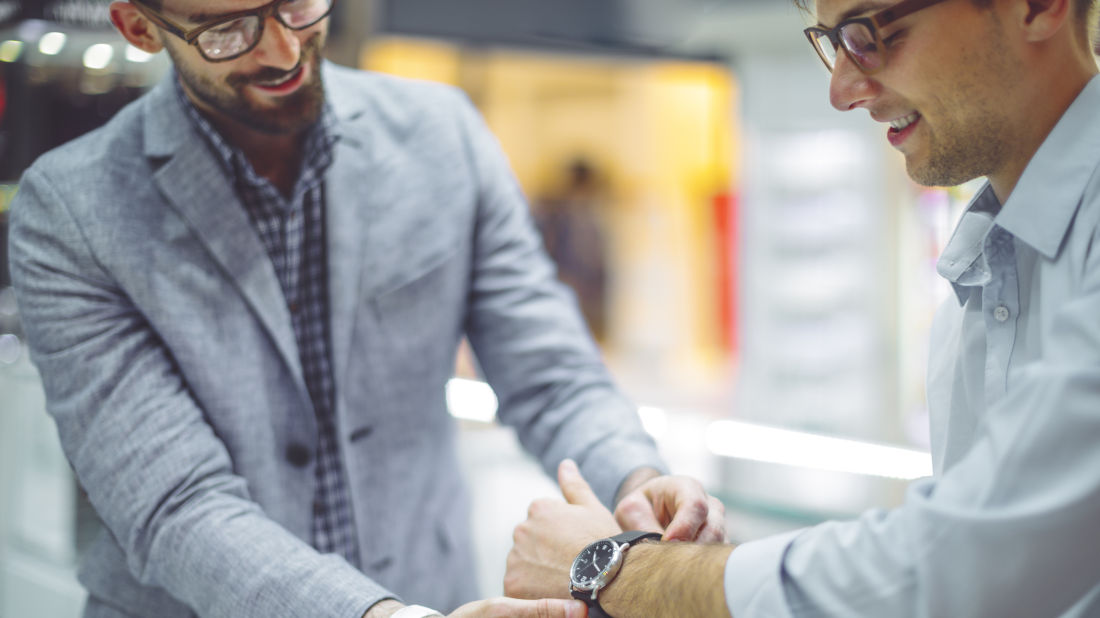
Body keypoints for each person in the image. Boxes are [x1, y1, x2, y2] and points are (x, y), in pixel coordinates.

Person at [6, 0, 727, 616]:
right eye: (226, 30)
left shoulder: (442, 136)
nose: (284, 49)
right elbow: (174, 503)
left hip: (428, 590)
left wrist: (638, 481)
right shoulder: (70, 211)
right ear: (138, 26)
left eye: (295, 4)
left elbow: (553, 376)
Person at [504, 0, 1100, 615]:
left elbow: (957, 560)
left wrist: (616, 568)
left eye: (870, 34)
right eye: (832, 42)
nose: (842, 90)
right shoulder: (977, 281)